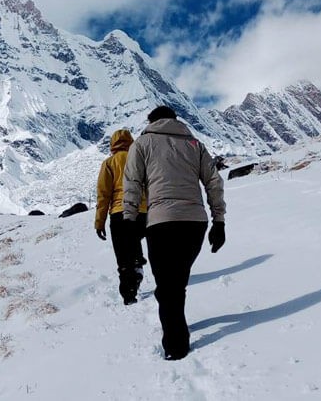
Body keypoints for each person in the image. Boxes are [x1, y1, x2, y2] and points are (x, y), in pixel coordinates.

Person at [123, 106, 226, 360]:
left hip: (161, 222)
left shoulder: (143, 143)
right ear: (174, 120)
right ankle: (177, 327)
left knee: (167, 286)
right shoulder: (195, 144)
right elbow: (213, 181)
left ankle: (176, 346)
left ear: (151, 121)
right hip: (195, 223)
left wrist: (129, 218)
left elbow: (132, 182)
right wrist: (219, 222)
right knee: (176, 281)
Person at [95, 129, 148, 305]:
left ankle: (129, 293)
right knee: (134, 239)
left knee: (122, 255)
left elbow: (103, 195)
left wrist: (99, 222)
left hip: (119, 212)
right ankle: (137, 264)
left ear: (112, 145)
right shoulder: (140, 159)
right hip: (141, 211)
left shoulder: (109, 163)